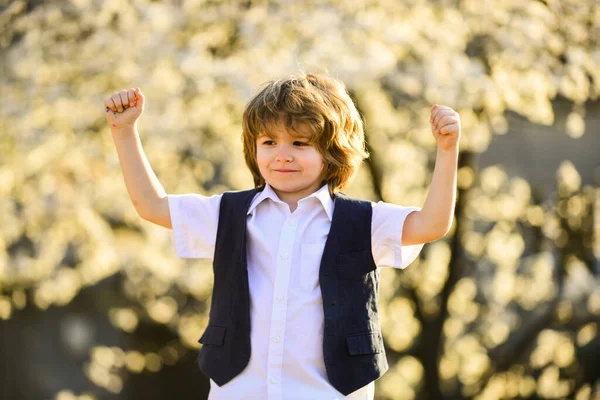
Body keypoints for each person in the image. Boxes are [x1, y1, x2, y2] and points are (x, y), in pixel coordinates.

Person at [104, 72, 460, 399]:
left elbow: (432, 225)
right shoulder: (228, 214)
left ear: (333, 150)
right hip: (240, 391)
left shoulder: (363, 221)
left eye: (300, 144)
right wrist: (124, 132)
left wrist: (447, 151)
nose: (282, 156)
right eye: (269, 142)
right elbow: (152, 204)